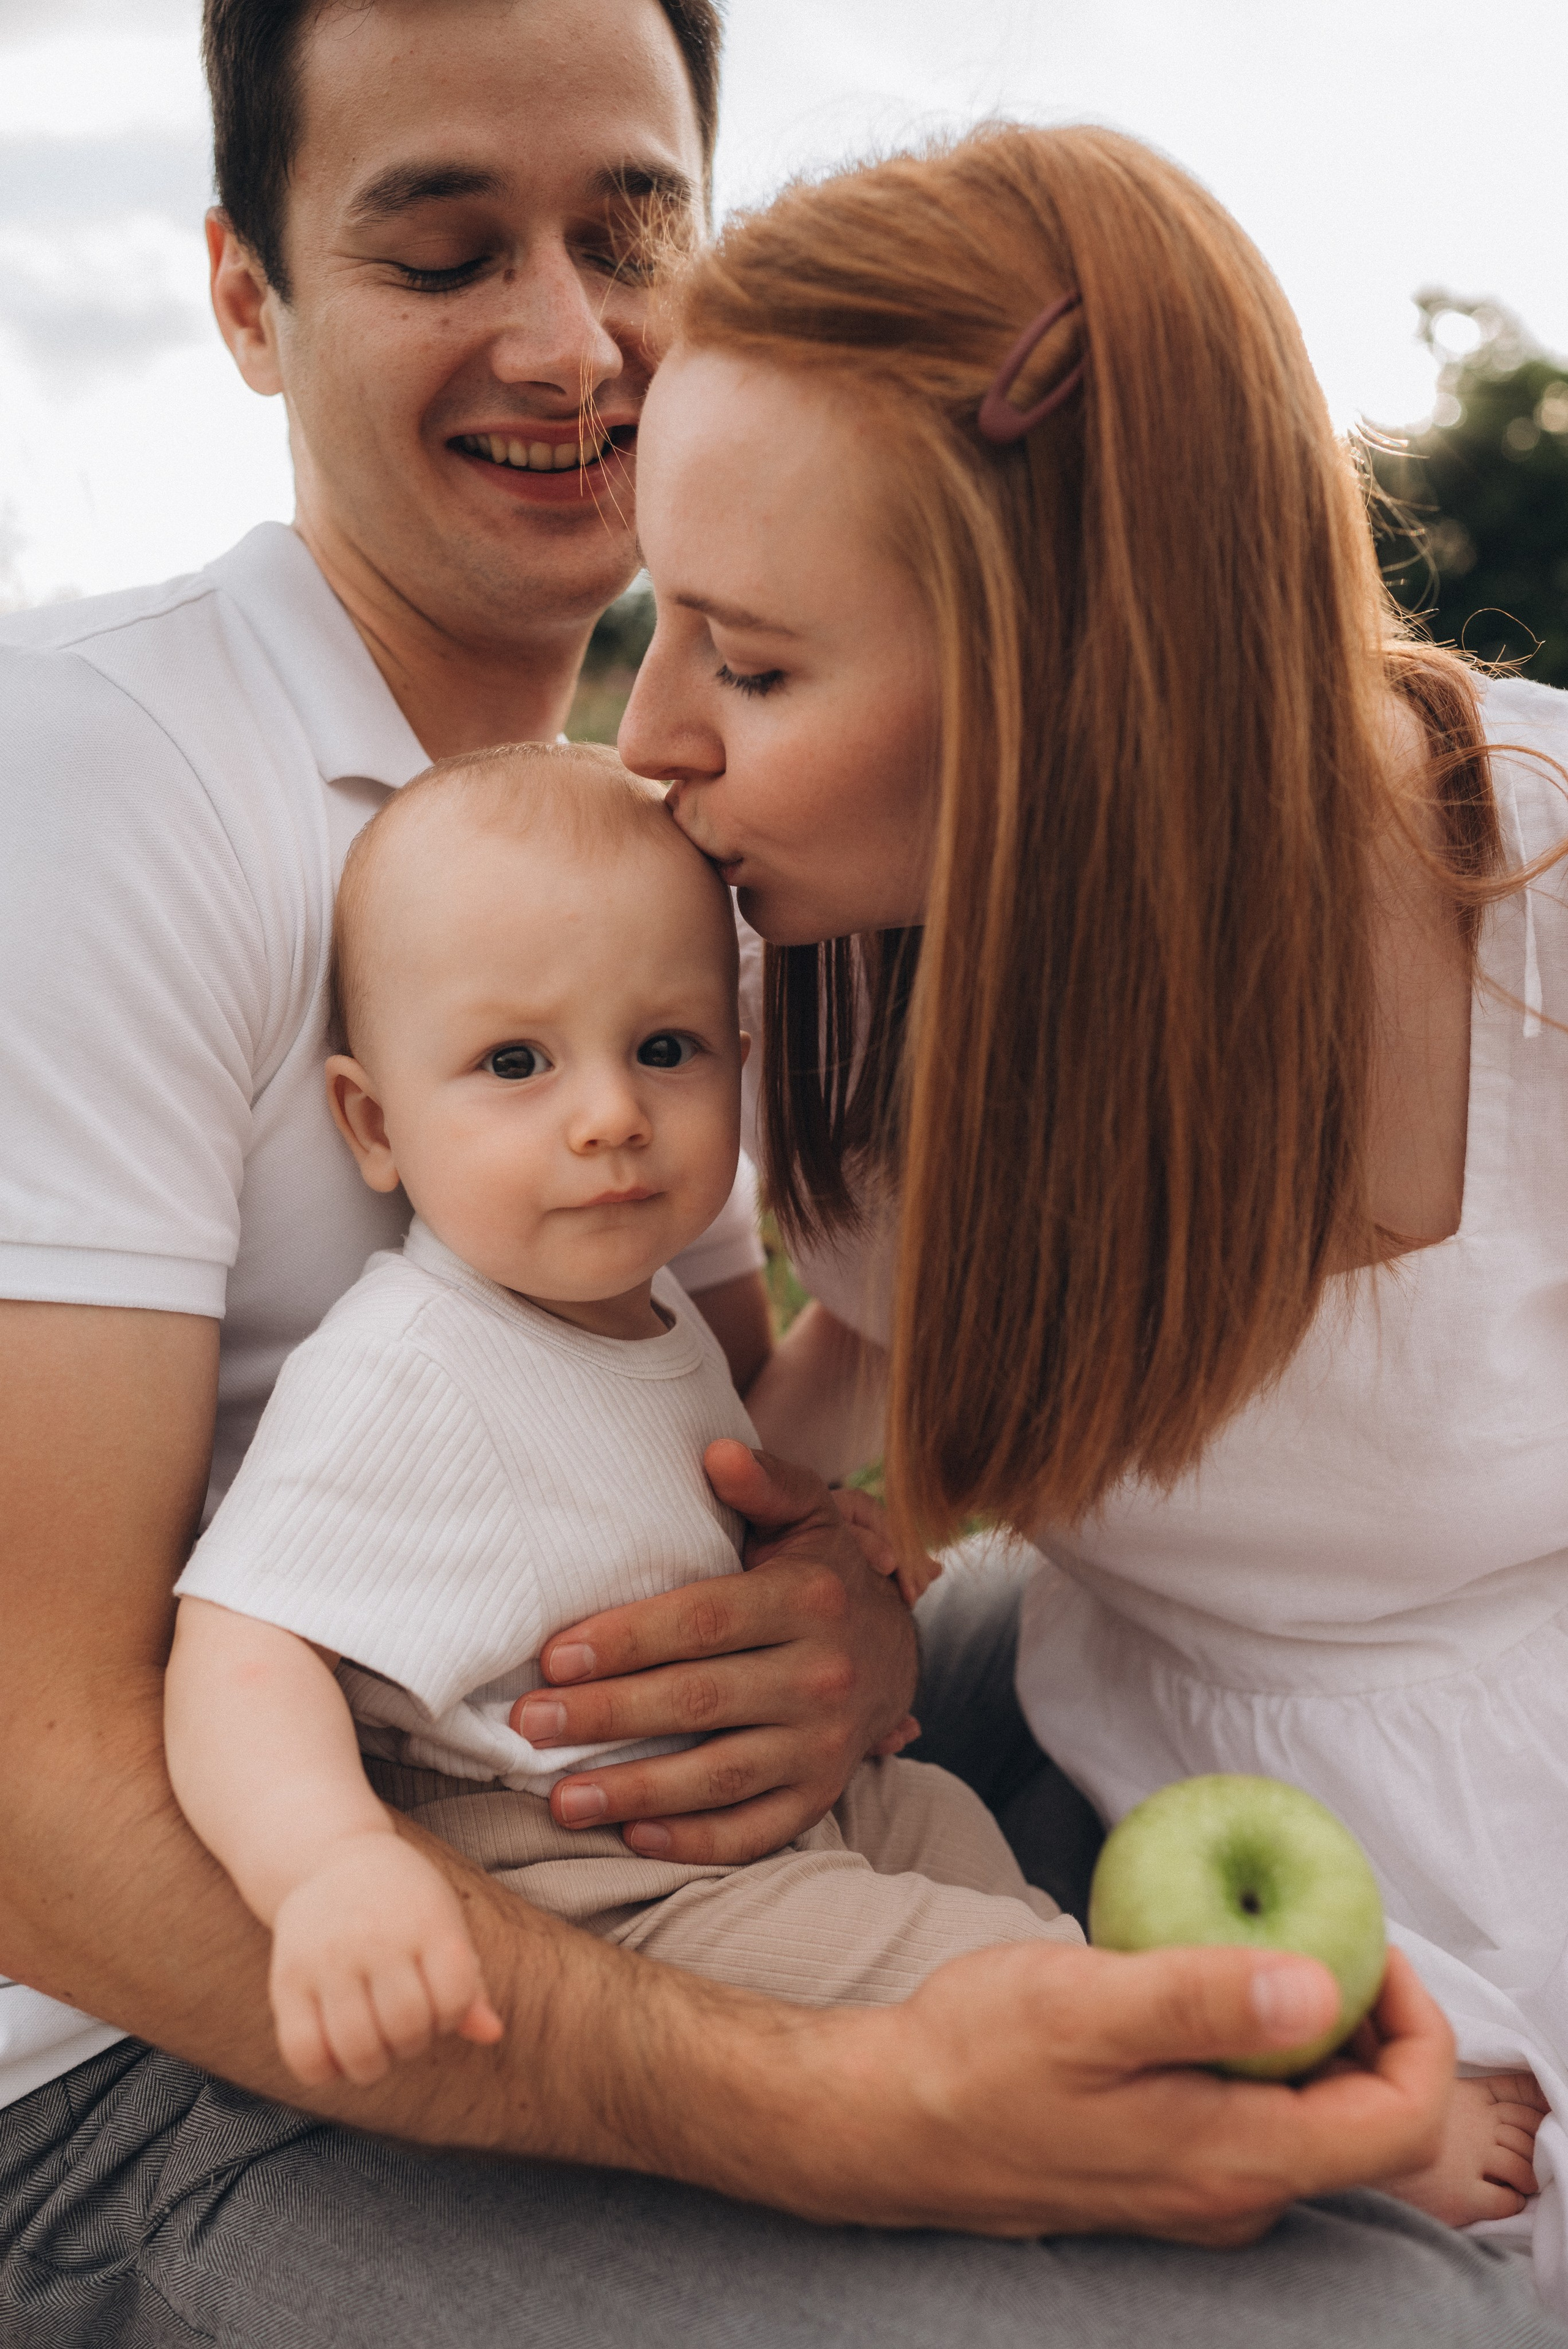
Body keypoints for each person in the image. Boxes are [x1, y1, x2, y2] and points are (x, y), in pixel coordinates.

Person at [0, 0, 1554, 2338]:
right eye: (440, 252)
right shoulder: (103, 791)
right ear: (245, 293)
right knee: (1383, 2304)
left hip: (653, 1804)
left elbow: (764, 1435)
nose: (565, 336)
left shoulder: (706, 870)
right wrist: (850, 2104)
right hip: (197, 2017)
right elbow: (39, 1778)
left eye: (630, 225)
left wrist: (843, 1598)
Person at [611, 116, 1568, 2315]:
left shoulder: (1536, 925)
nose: (650, 736)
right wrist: (844, 1555)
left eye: (750, 665)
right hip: (1162, 1815)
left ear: (1084, 696)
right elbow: (863, 1363)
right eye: (666, 623)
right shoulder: (822, 966)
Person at [163, 742, 1081, 2091]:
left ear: (738, 1060)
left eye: (664, 1048)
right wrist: (331, 1866)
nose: (609, 1115)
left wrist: (831, 1532)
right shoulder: (410, 1362)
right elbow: (239, 1645)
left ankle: (1083, 1994)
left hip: (739, 1812)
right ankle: (1231, 2085)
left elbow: (663, 1519)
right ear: (373, 1122)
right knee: (985, 1979)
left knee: (939, 1819)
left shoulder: (629, 1313)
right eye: (515, 1060)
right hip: (593, 1871)